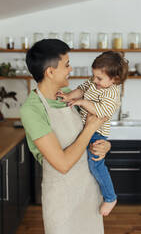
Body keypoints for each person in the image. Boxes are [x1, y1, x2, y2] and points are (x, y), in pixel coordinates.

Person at [20, 39, 111, 234]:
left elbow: (93, 134)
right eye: (67, 65)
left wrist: (104, 146)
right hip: (62, 200)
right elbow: (62, 164)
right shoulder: (32, 109)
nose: (71, 69)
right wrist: (89, 129)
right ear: (50, 72)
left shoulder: (70, 95)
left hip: (88, 191)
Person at [57, 51, 129, 216]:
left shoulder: (112, 94)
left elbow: (101, 111)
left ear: (115, 79)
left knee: (95, 164)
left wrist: (81, 102)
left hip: (97, 133)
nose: (94, 80)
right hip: (86, 129)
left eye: (99, 78)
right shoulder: (94, 82)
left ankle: (110, 198)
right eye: (94, 76)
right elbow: (82, 89)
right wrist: (69, 96)